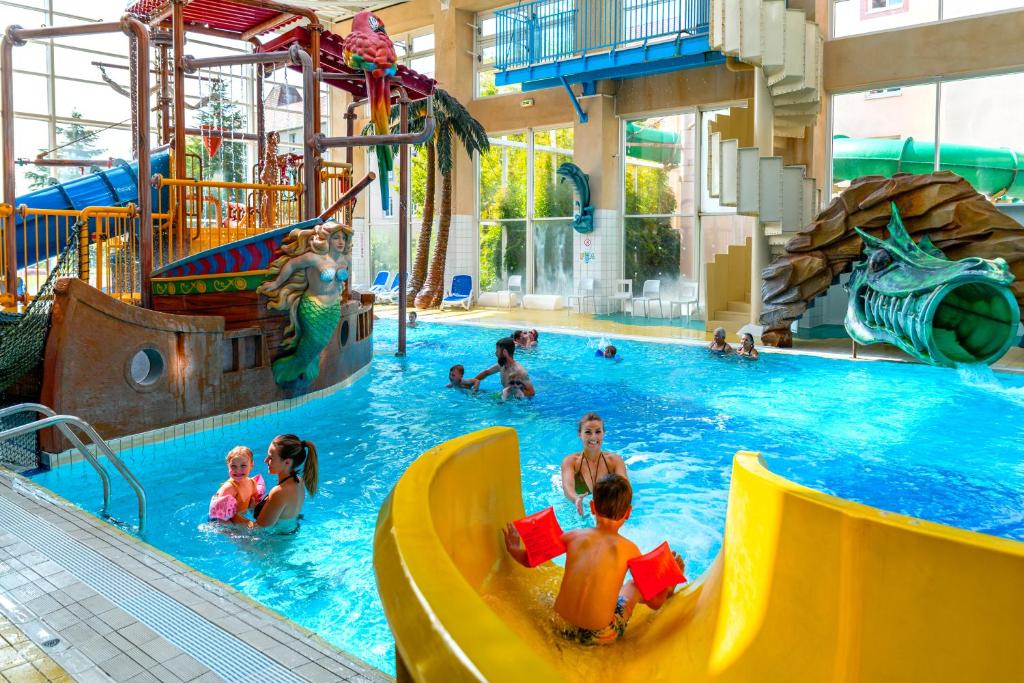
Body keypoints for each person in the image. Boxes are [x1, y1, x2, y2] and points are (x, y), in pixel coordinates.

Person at [504, 474, 684, 645]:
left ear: (592, 507)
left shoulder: (573, 536)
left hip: (559, 625)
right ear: (628, 513)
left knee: (549, 596)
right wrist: (669, 580)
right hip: (600, 635)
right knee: (633, 585)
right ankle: (669, 588)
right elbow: (654, 603)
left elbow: (530, 560)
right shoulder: (630, 550)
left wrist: (513, 549)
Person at [258, 222, 353, 385]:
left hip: (333, 309)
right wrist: (276, 283)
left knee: (321, 342)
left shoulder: (345, 260)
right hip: (313, 306)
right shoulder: (315, 258)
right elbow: (291, 264)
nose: (340, 242)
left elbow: (342, 281)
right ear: (327, 239)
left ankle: (306, 364)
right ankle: (291, 367)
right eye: (336, 237)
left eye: (343, 238)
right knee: (314, 340)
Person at [561, 413, 628, 515]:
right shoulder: (571, 462)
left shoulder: (615, 461)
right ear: (580, 434)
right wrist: (576, 499)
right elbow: (567, 487)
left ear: (603, 433)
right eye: (588, 432)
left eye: (598, 432)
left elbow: (625, 489)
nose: (593, 437)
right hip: (580, 509)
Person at [251, 434, 319, 531]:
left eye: (271, 458)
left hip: (275, 543)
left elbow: (258, 530)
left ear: (287, 462)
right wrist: (254, 507)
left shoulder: (279, 492)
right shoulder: (299, 481)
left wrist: (235, 516)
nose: (265, 460)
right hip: (289, 535)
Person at [209, 446, 263, 524]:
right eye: (233, 466)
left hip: (239, 519)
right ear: (228, 466)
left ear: (251, 465)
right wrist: (234, 532)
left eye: (243, 466)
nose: (238, 470)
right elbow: (220, 519)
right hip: (225, 524)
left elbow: (253, 507)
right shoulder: (229, 488)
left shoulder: (252, 483)